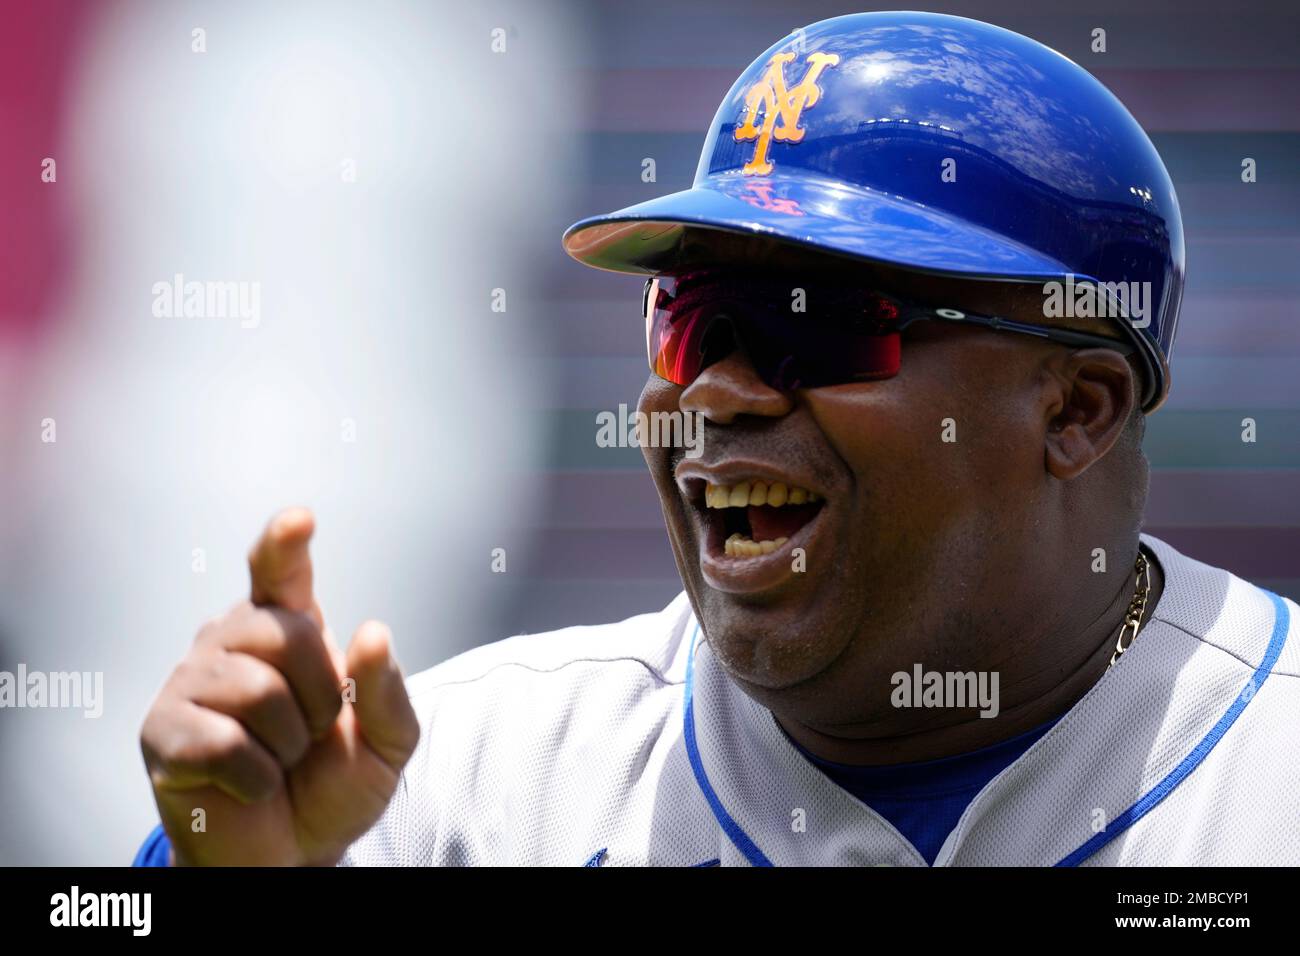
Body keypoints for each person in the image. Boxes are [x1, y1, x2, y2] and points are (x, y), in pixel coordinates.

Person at [136, 11, 1298, 867]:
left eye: (819, 320)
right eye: (690, 321)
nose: (718, 392)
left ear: (1077, 409)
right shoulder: (458, 783)